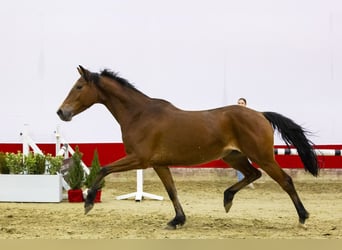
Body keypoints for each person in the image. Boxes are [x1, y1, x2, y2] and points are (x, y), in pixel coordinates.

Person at [236, 97, 255, 189]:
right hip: (237, 142)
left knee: (249, 161)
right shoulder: (234, 116)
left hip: (247, 142)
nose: (240, 104)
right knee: (240, 161)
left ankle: (248, 180)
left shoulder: (249, 115)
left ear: (245, 104)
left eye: (242, 103)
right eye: (239, 103)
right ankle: (241, 181)